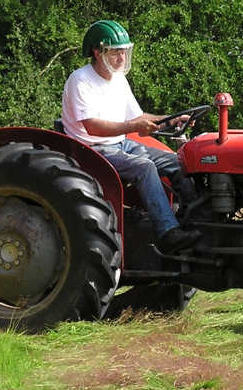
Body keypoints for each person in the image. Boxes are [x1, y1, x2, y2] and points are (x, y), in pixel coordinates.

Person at [61, 19, 201, 252]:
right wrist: (132, 126)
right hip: (92, 149)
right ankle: (168, 233)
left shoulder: (118, 79)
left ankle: (196, 220)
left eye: (125, 51)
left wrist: (170, 119)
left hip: (121, 144)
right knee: (144, 167)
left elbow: (137, 116)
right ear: (97, 52)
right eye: (116, 52)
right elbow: (93, 127)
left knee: (180, 162)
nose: (122, 58)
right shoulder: (80, 80)